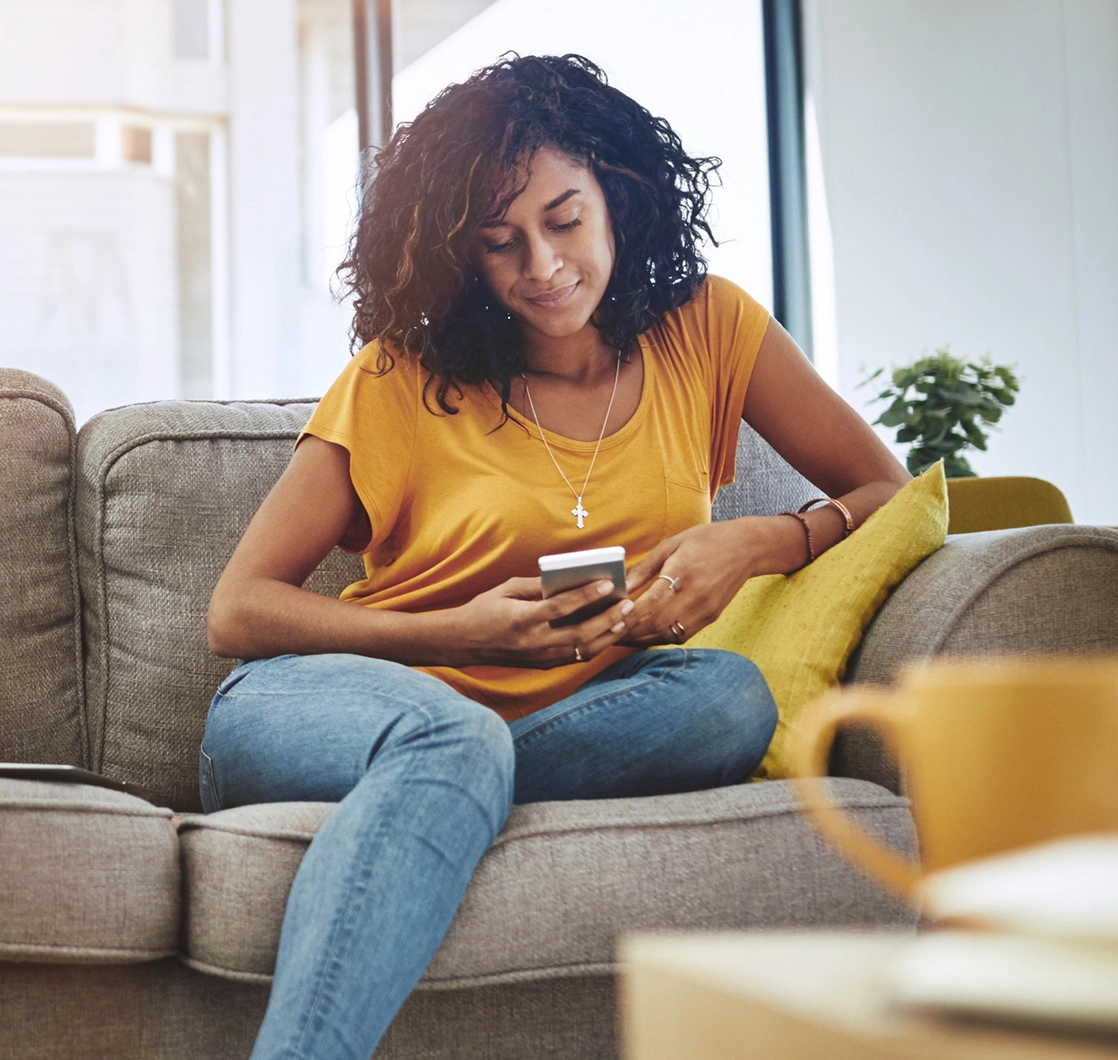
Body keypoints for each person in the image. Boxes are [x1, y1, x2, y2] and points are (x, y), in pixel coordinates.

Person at [202, 54, 909, 1060]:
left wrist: (753, 541)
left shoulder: (707, 330)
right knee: (455, 739)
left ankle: (448, 794)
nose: (542, 265)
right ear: (461, 259)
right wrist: (456, 630)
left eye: (564, 219)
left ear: (617, 194)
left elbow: (884, 488)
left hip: (585, 719)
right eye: (500, 244)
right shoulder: (399, 375)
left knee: (729, 696)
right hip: (333, 707)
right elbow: (236, 611)